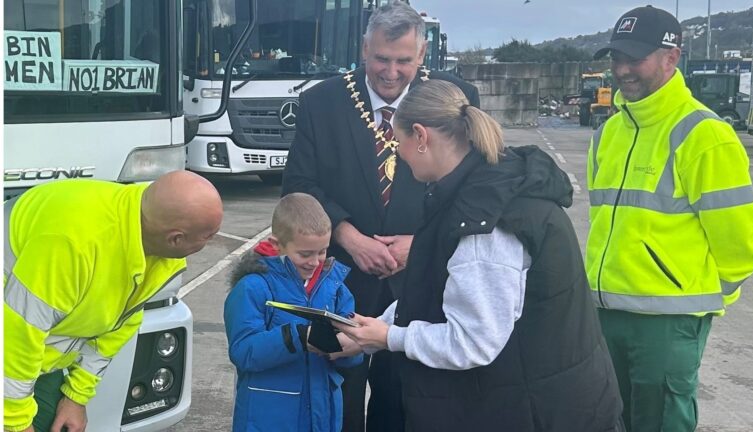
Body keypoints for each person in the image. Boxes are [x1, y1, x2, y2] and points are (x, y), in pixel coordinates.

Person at [333, 79, 624, 431]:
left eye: (398, 142)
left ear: (421, 136)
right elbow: (440, 290)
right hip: (540, 400)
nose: (399, 155)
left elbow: (473, 341)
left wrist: (389, 337)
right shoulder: (484, 184)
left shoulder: (484, 221)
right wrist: (378, 326)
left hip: (539, 412)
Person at [281, 1, 479, 431]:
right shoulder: (321, 102)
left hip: (421, 279)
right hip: (342, 279)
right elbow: (299, 186)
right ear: (364, 48)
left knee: (407, 401)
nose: (391, 72)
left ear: (422, 54)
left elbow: (474, 189)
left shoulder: (453, 100)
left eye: (403, 61)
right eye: (381, 59)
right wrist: (349, 237)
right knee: (339, 399)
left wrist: (421, 244)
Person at [587, 6, 753, 432]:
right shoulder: (608, 133)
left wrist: (693, 297)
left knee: (660, 421)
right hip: (605, 312)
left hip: (666, 322)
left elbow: (738, 244)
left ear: (671, 57)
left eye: (635, 58)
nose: (622, 70)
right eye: (616, 58)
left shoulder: (704, 134)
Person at [3, 171, 223, 432]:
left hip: (32, 355)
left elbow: (120, 326)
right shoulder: (72, 244)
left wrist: (76, 397)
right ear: (176, 238)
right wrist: (16, 423)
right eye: (209, 235)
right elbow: (18, 333)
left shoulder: (147, 232)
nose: (213, 240)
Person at [223, 193, 363, 432]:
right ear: (276, 244)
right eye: (305, 254)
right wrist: (297, 337)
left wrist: (351, 347)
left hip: (321, 414)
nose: (315, 262)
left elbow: (353, 347)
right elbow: (243, 351)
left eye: (322, 251)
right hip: (268, 419)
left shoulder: (335, 287)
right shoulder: (253, 287)